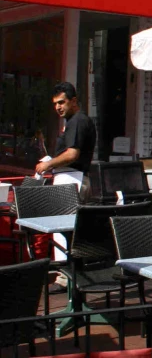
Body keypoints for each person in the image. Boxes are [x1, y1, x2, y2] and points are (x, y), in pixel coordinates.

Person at [35, 82, 96, 282]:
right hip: (71, 178)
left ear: (74, 101)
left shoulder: (78, 121)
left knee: (66, 231)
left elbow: (72, 154)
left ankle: (68, 278)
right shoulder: (73, 121)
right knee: (65, 231)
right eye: (55, 104)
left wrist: (48, 164)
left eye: (62, 102)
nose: (58, 107)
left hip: (73, 178)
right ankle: (68, 277)